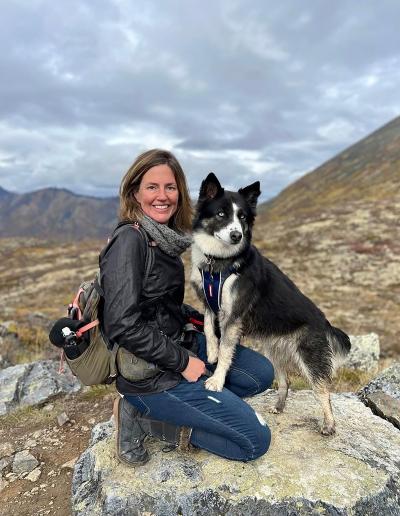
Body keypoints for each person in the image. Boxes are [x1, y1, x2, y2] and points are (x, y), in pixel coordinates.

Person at [99, 149, 274, 466]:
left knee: (260, 375)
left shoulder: (164, 239)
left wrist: (204, 319)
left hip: (179, 342)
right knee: (254, 441)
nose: (162, 196)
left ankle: (203, 403)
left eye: (170, 187)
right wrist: (183, 363)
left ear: (180, 193)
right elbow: (121, 325)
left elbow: (162, 304)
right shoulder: (130, 241)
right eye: (152, 187)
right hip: (150, 373)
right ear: (135, 192)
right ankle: (144, 417)